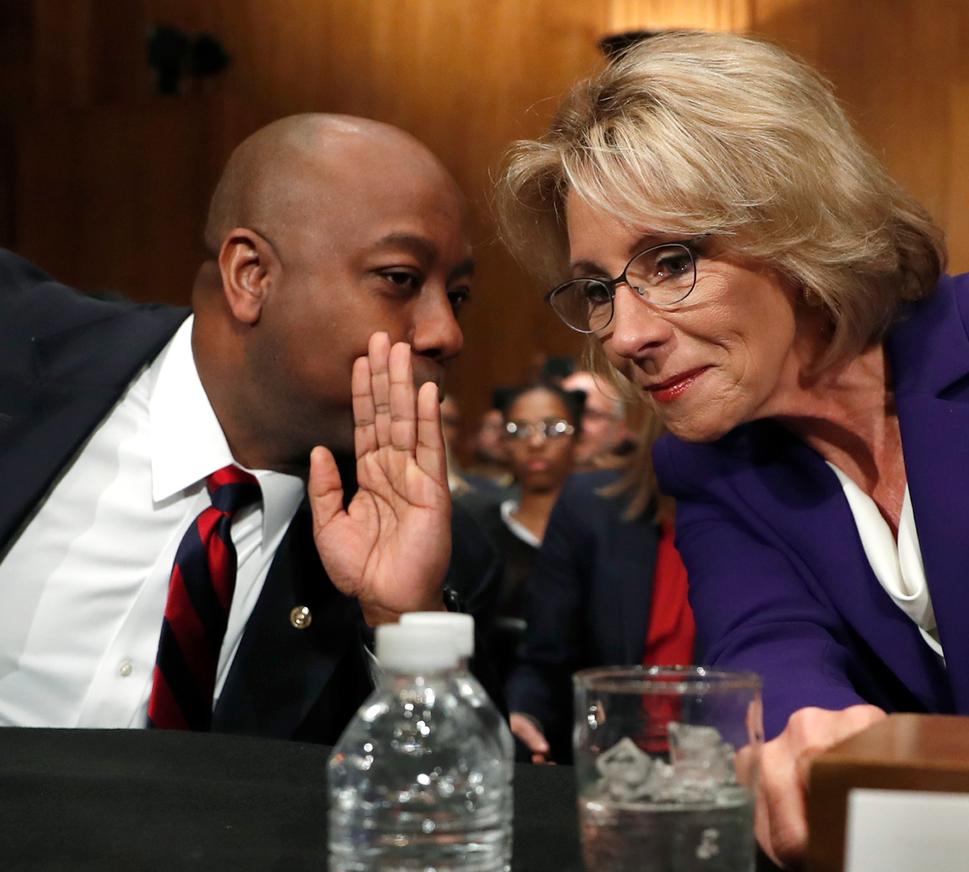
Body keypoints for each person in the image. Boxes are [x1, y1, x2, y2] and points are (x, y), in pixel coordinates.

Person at [496, 30, 969, 868]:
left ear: (796, 225)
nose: (626, 335)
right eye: (598, 290)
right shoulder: (714, 464)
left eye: (673, 260)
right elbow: (767, 646)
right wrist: (805, 737)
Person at [0, 113, 497, 743]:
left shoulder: (437, 557)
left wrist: (401, 620)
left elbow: (448, 816)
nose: (446, 334)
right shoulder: (15, 345)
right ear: (251, 276)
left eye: (456, 296)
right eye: (401, 279)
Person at [507, 414, 697, 764]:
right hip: (616, 766)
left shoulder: (771, 520)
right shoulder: (589, 507)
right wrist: (525, 717)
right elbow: (546, 658)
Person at [459, 383, 583, 687]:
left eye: (553, 428)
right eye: (519, 429)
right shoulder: (479, 531)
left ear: (577, 438)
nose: (536, 442)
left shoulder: (598, 533)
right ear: (503, 442)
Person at [561, 370, 633, 469]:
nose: (576, 425)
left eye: (590, 415)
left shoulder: (645, 479)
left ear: (620, 428)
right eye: (569, 414)